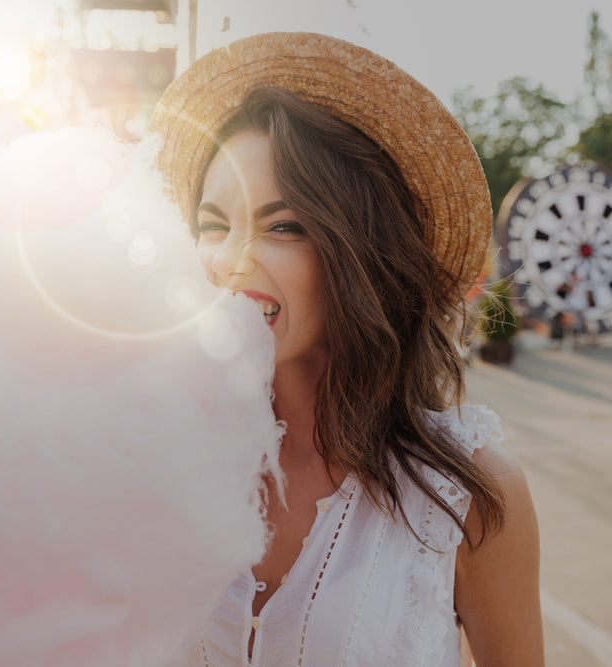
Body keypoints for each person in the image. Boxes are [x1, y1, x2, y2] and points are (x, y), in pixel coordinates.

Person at [150, 32, 543, 666]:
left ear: (360, 254)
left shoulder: (466, 492)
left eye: (283, 226)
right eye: (214, 225)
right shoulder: (154, 451)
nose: (230, 260)